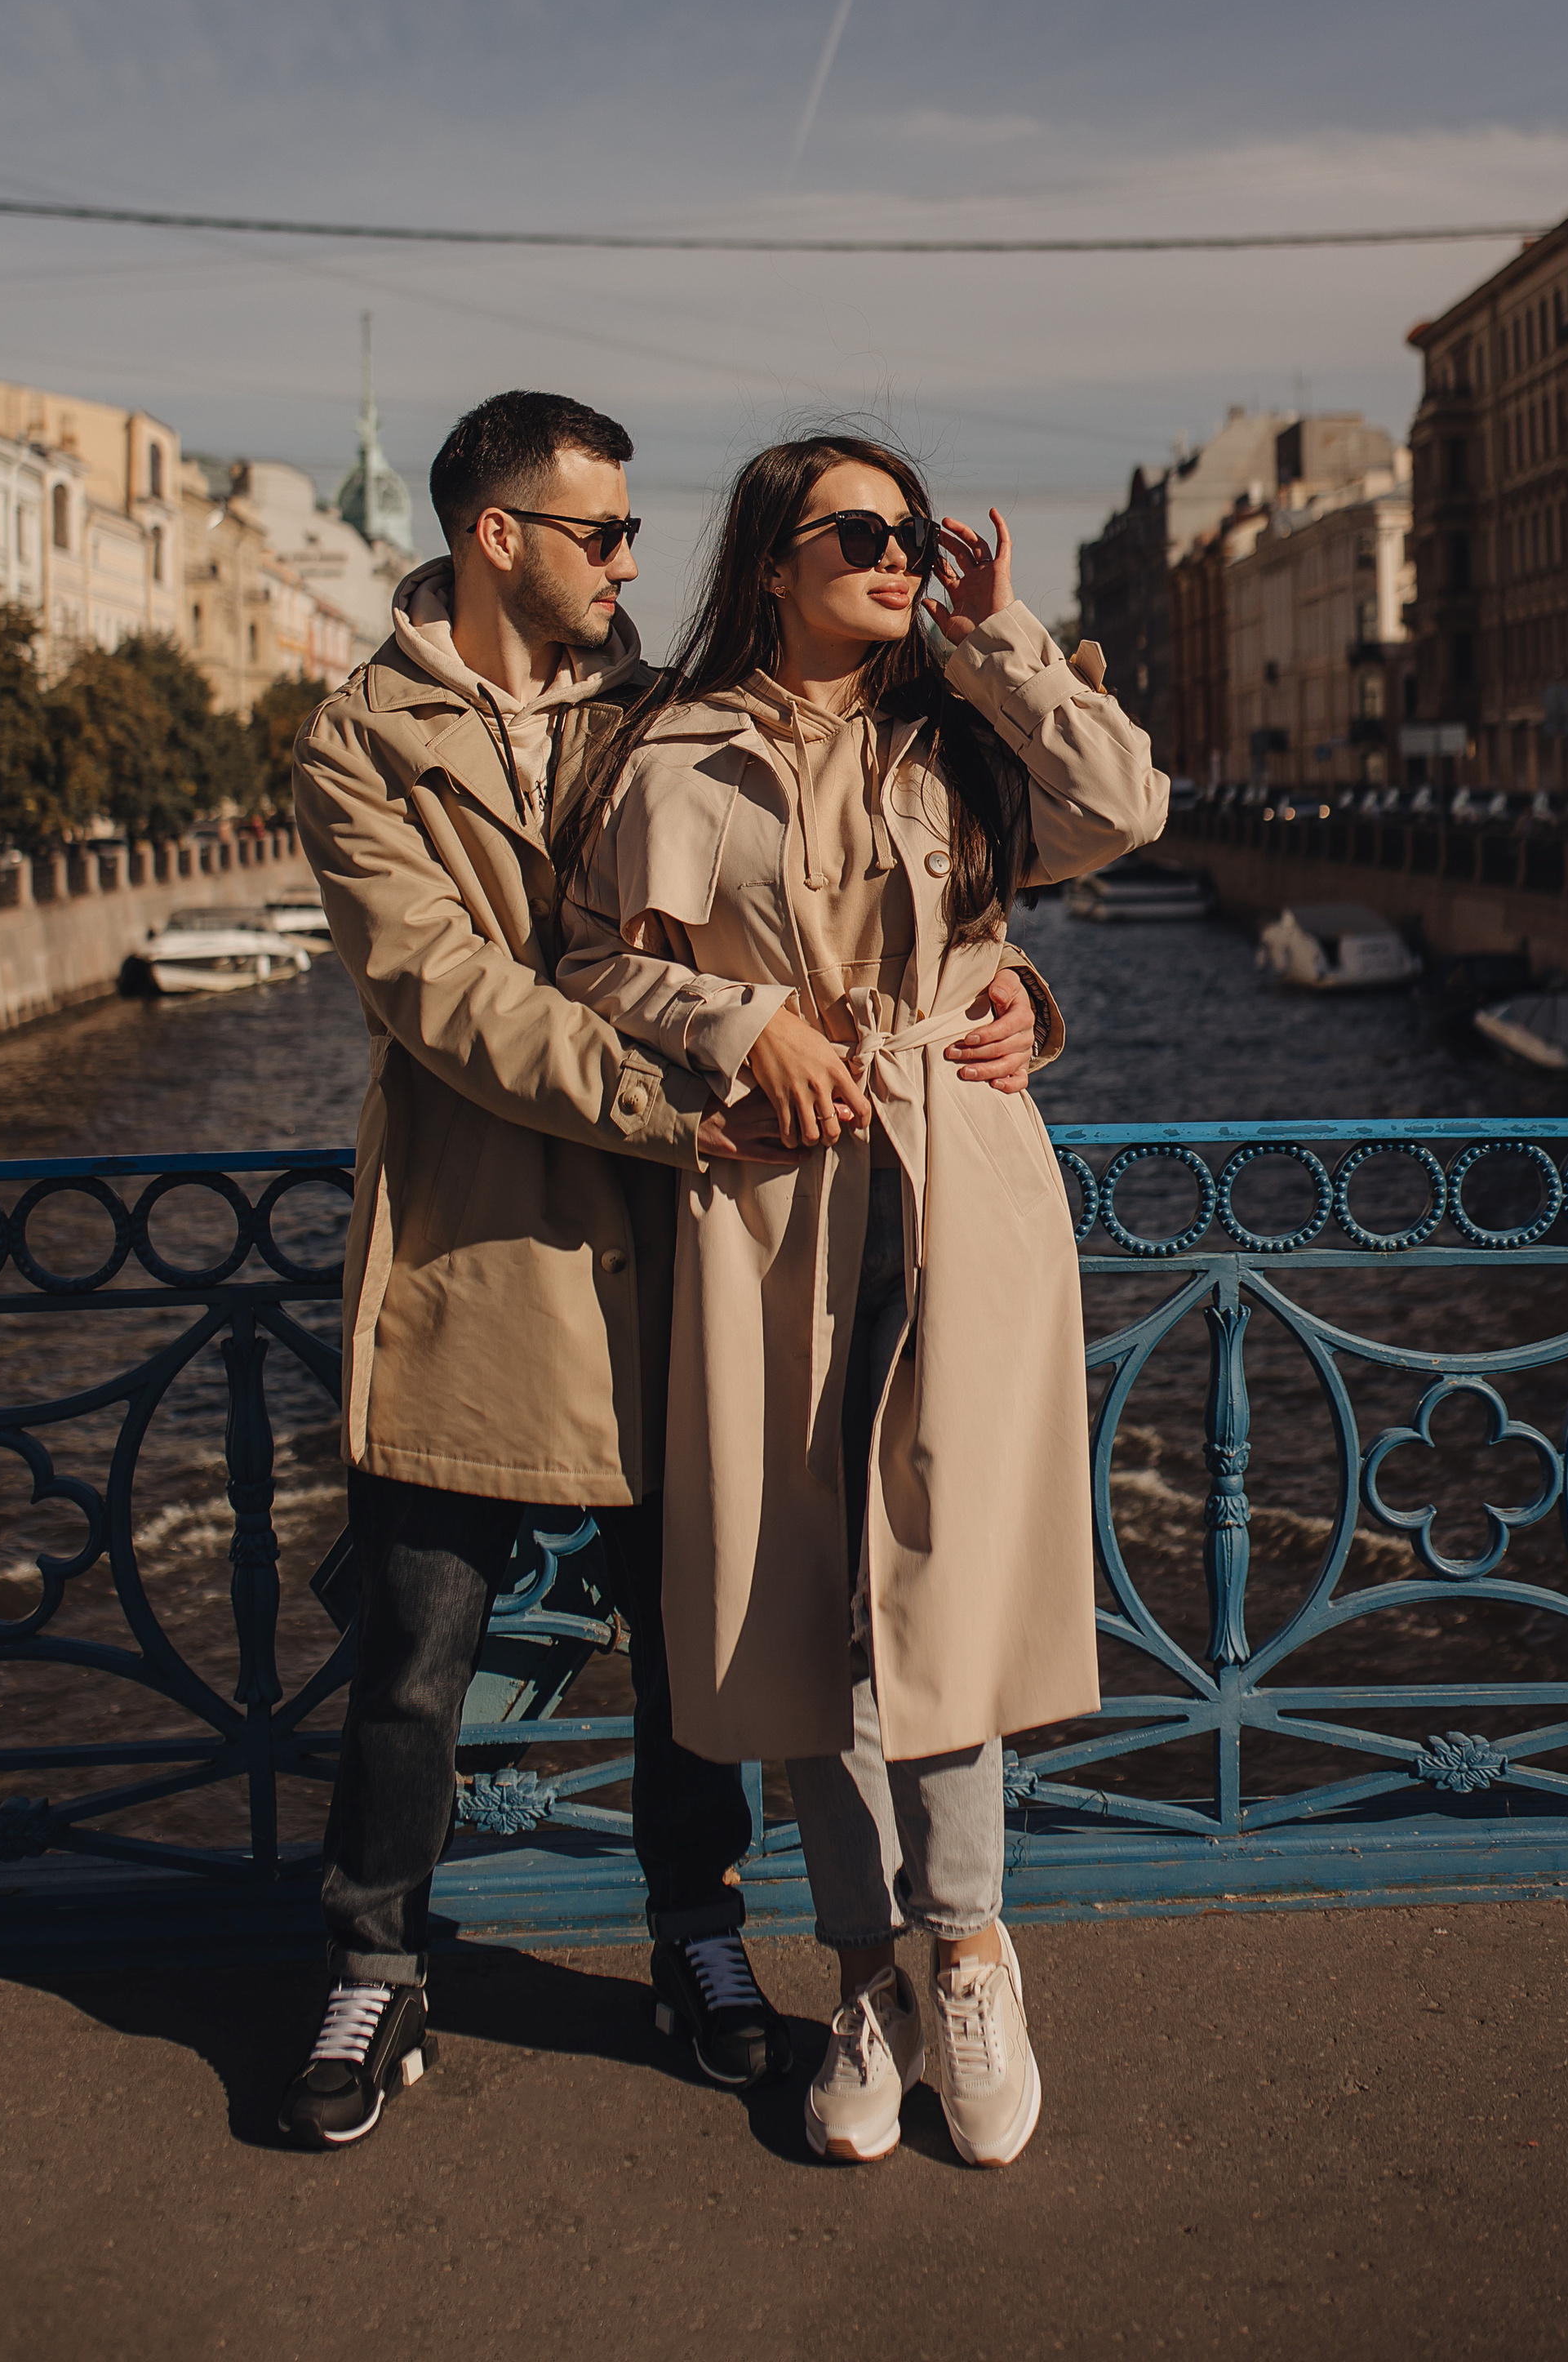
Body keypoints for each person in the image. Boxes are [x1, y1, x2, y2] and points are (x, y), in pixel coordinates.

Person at [279, 392, 1045, 2148]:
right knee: (415, 1649)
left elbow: (869, 894)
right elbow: (449, 994)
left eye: (635, 535)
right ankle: (373, 1966)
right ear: (498, 538)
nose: (633, 559)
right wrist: (688, 1103)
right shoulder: (358, 741)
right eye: (600, 534)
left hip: (711, 1257)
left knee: (712, 1644)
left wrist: (1004, 986)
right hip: (492, 1237)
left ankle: (701, 1937)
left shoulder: (653, 715)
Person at [558, 435, 1167, 2168]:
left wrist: (1000, 643)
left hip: (958, 1181)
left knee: (946, 1583)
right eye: (861, 533)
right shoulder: (669, 747)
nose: (897, 555)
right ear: (770, 558)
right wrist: (736, 1025)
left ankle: (972, 1952)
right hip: (765, 1191)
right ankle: (859, 1981)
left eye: (909, 531)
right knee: (801, 1601)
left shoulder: (960, 724)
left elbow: (1122, 812)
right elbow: (594, 954)